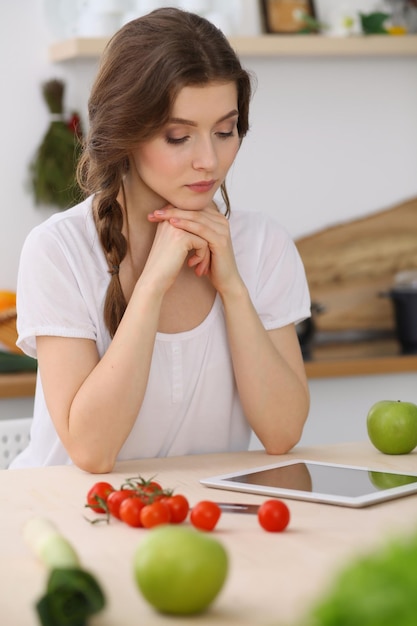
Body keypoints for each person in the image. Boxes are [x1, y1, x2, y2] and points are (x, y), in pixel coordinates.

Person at [10, 7, 310, 473]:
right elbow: (92, 452)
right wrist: (152, 285)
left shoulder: (262, 245)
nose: (209, 160)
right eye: (178, 137)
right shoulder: (58, 250)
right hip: (70, 522)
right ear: (125, 132)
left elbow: (283, 432)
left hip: (203, 522)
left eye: (225, 131)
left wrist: (232, 287)